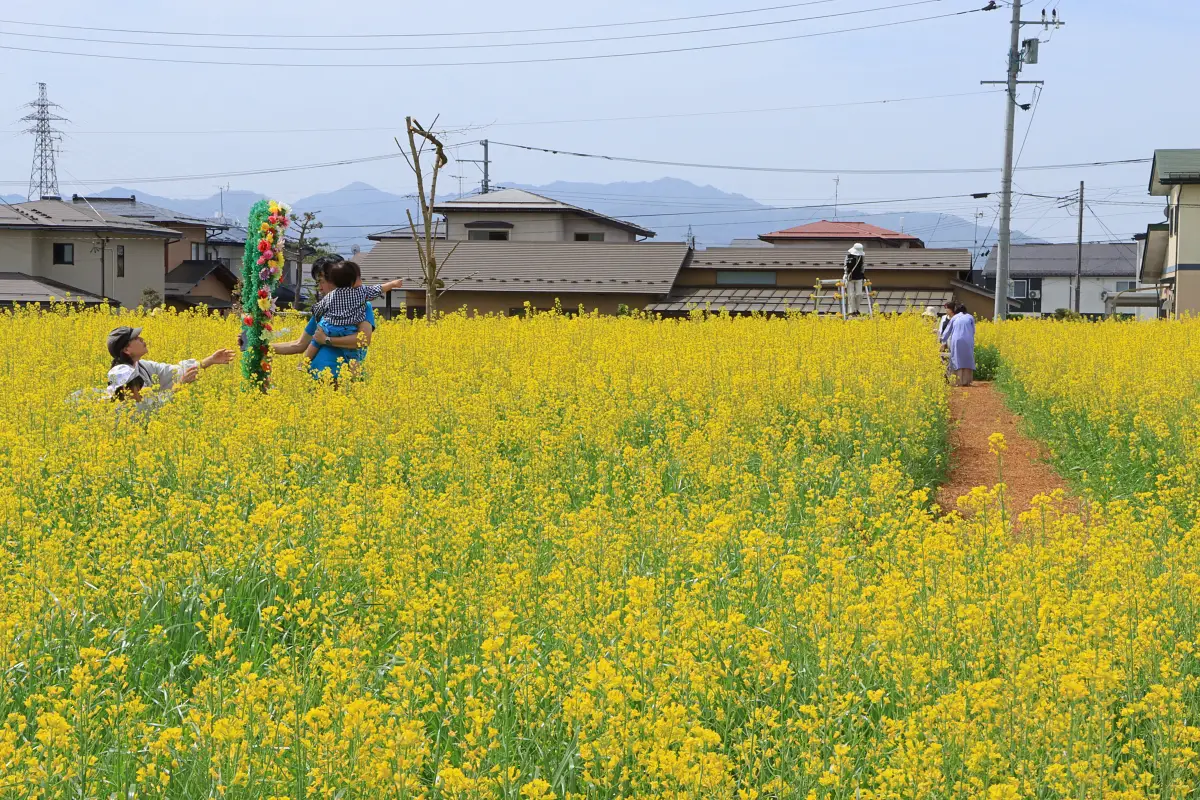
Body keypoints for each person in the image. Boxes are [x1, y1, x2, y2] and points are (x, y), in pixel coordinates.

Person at [271, 255, 377, 383]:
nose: (320, 288)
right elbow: (299, 344)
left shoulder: (362, 306)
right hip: (317, 381)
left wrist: (327, 340)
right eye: (318, 282)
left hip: (341, 380)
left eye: (322, 281)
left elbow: (363, 339)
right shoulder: (323, 309)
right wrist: (263, 347)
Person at [105, 325, 234, 410]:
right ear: (127, 349)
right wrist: (179, 387)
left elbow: (173, 371)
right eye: (136, 338)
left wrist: (209, 361)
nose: (142, 339)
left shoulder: (143, 366)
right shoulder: (122, 375)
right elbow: (145, 408)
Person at [302, 260, 402, 360]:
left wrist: (318, 318)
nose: (361, 279)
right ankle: (355, 375)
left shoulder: (332, 295)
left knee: (315, 342)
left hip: (331, 328)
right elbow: (378, 289)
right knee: (353, 355)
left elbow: (319, 308)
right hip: (348, 331)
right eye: (359, 277)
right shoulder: (361, 292)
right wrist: (393, 284)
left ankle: (304, 362)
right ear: (351, 280)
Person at [940, 302, 976, 386]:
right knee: (967, 358)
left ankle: (957, 381)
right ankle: (966, 381)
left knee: (956, 358)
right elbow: (973, 331)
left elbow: (947, 331)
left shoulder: (955, 317)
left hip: (956, 339)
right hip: (968, 339)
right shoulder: (970, 317)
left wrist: (942, 341)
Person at [843, 242, 867, 316]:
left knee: (859, 294)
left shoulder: (861, 257)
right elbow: (845, 266)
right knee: (851, 295)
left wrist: (863, 274)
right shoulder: (848, 256)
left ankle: (857, 309)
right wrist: (846, 274)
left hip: (859, 277)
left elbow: (862, 266)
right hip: (850, 277)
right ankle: (852, 310)